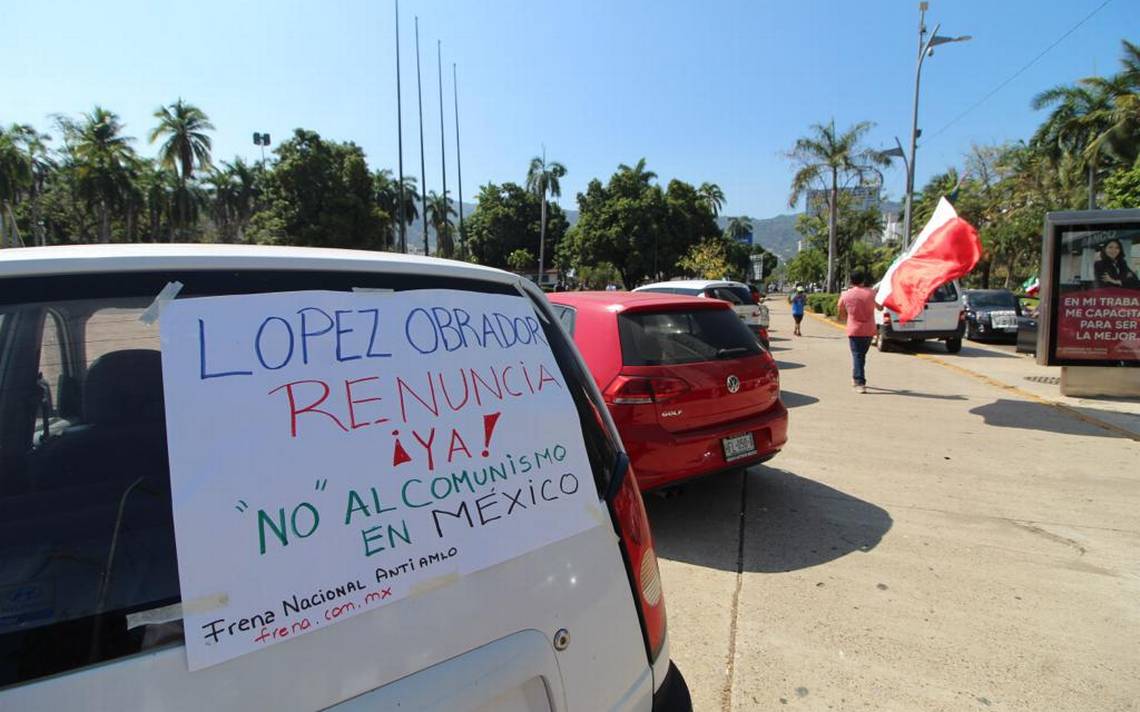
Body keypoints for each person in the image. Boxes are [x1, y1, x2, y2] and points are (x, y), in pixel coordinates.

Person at [836, 269, 879, 394]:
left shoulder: (846, 294)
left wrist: (845, 319)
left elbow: (841, 311)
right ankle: (857, 378)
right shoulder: (871, 293)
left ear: (851, 280)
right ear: (863, 280)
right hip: (869, 330)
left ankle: (860, 382)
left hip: (854, 329)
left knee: (858, 355)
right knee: (861, 355)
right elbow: (880, 307)